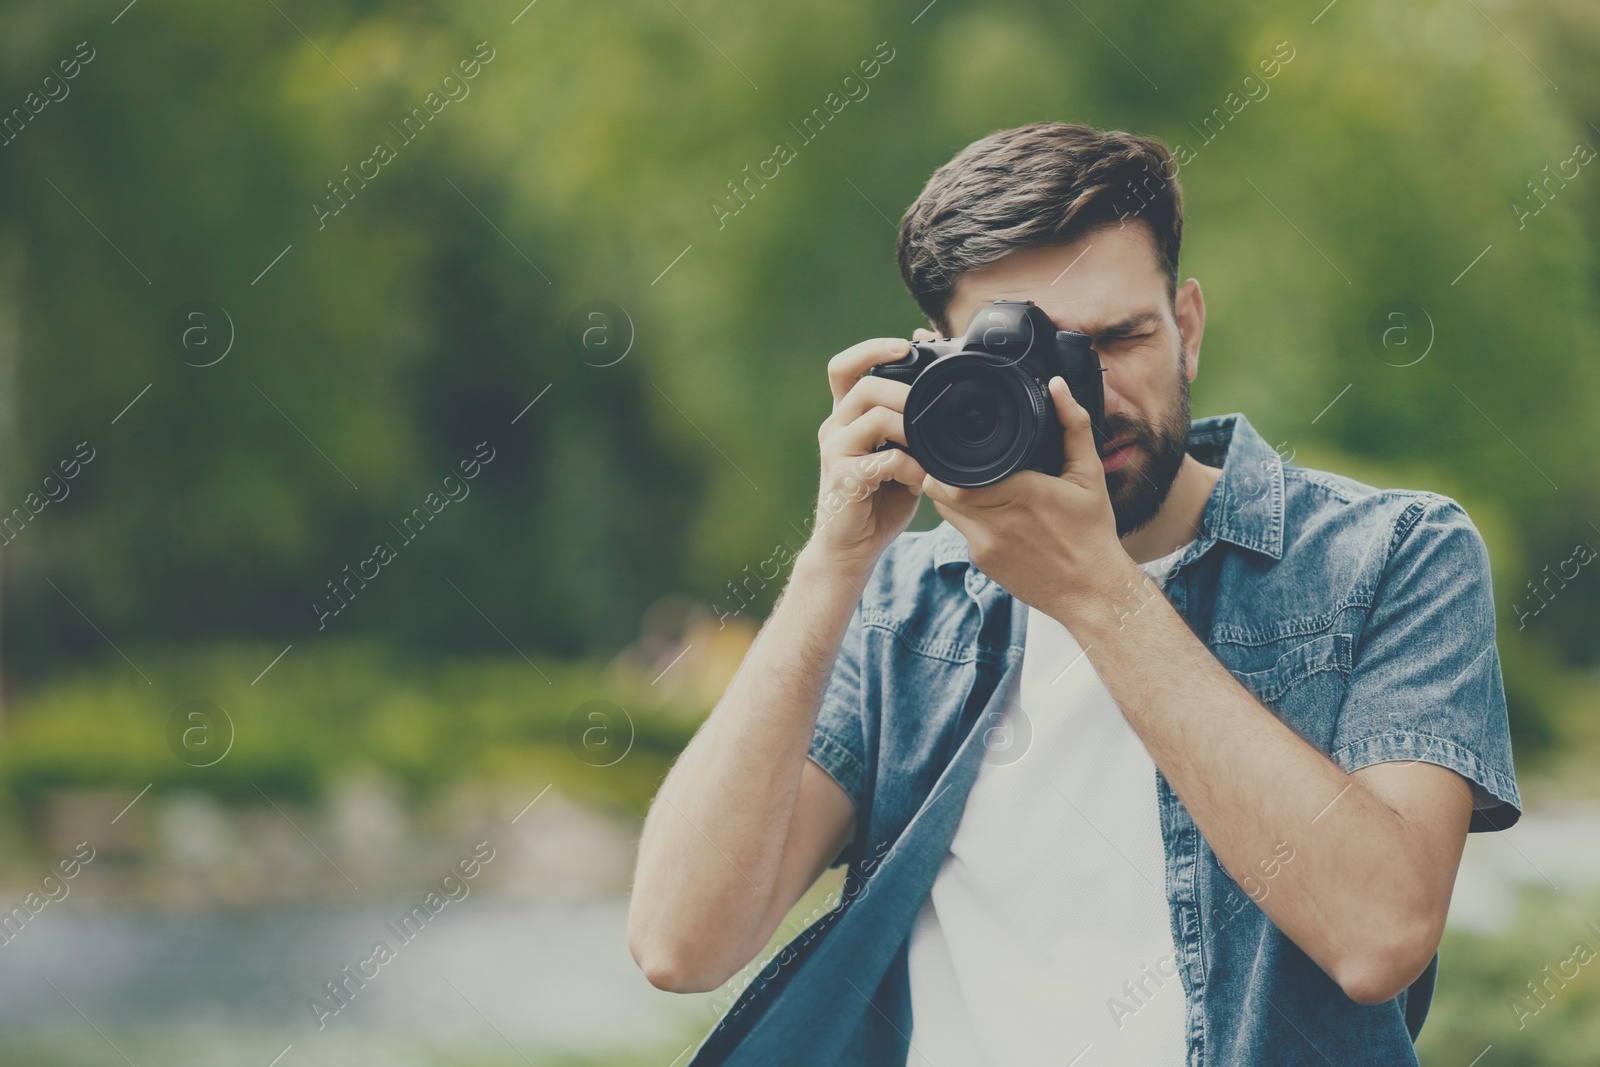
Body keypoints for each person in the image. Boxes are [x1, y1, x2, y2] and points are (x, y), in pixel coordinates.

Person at [627, 122, 1520, 1066]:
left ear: (1190, 325)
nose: (1087, 398)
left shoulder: (1392, 555)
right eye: (1036, 356)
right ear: (938, 368)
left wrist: (1098, 590)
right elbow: (681, 943)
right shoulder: (901, 602)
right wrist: (830, 563)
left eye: (1122, 338)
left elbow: (1378, 935)